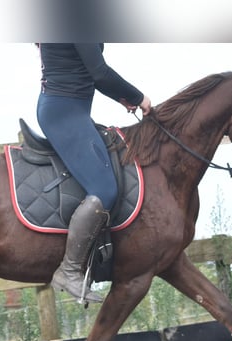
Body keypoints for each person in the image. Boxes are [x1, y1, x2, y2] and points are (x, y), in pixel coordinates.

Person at [36, 43, 152, 303]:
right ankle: (69, 271)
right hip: (64, 111)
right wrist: (138, 97)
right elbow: (99, 72)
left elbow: (89, 72)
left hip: (69, 108)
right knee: (104, 190)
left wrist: (122, 96)